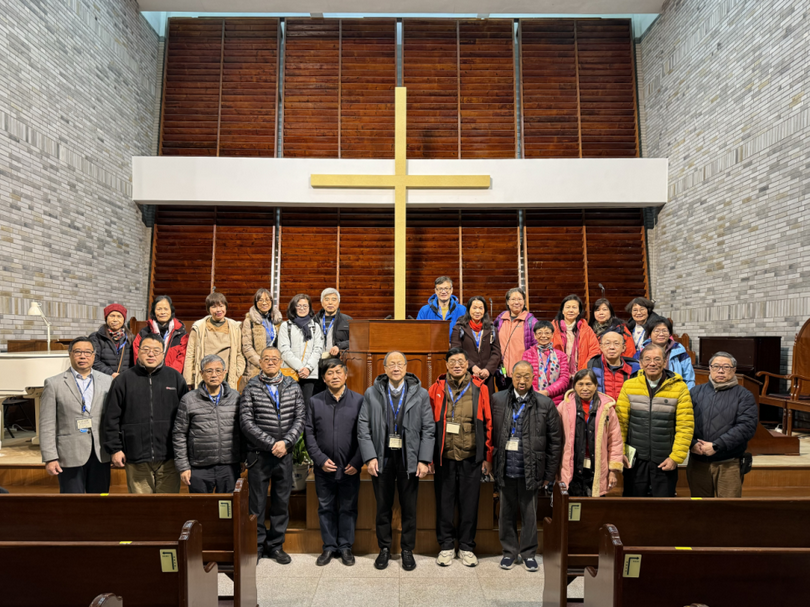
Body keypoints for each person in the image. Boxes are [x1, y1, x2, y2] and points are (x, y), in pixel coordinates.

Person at [357, 351, 434, 572]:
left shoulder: (420, 394)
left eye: (400, 364)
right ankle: (384, 548)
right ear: (384, 368)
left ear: (406, 367)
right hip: (381, 458)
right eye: (392, 364)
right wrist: (369, 457)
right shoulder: (372, 393)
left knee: (409, 507)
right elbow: (363, 427)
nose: (396, 368)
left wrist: (423, 459)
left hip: (409, 459)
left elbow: (429, 429)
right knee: (383, 506)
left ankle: (407, 549)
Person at [491, 361, 562, 572]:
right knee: (506, 512)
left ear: (534, 378)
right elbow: (489, 434)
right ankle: (509, 552)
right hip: (504, 466)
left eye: (527, 377)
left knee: (530, 514)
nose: (522, 381)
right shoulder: (497, 399)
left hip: (531, 467)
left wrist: (549, 474)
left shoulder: (545, 403)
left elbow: (555, 441)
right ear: (511, 376)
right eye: (518, 376)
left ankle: (529, 553)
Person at [427, 348, 493, 568]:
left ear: (467, 364)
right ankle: (446, 546)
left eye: (461, 361)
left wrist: (486, 456)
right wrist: (429, 457)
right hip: (444, 456)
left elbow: (488, 423)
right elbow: (428, 426)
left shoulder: (479, 388)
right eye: (452, 361)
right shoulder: (436, 388)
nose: (457, 365)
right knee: (444, 504)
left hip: (471, 455)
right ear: (446, 365)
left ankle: (466, 547)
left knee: (469, 504)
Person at [240, 346, 306, 563]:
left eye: (274, 359)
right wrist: (271, 444)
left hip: (284, 455)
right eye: (266, 359)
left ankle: (276, 546)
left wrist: (286, 443)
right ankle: (257, 546)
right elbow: (246, 422)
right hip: (259, 454)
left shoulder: (292, 386)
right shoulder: (251, 387)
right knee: (256, 504)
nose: (270, 362)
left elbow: (300, 418)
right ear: (260, 362)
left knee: (281, 502)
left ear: (281, 362)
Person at [103, 334, 189, 494]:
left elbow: (186, 418)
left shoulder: (175, 378)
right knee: (141, 508)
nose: (151, 354)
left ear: (163, 353)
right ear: (138, 350)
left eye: (156, 351)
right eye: (146, 350)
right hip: (136, 456)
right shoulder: (123, 380)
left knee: (168, 508)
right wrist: (115, 449)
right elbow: (111, 418)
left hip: (169, 456)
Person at [304, 358, 364, 567]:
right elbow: (309, 433)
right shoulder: (315, 401)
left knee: (348, 507)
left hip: (350, 467)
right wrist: (319, 459)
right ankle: (329, 547)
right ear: (323, 378)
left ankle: (345, 547)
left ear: (346, 375)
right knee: (325, 507)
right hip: (324, 468)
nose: (335, 376)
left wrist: (357, 461)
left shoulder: (359, 400)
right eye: (330, 373)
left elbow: (365, 434)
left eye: (338, 372)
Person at [616, 343, 694, 498]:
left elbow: (685, 426)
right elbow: (620, 423)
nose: (652, 363)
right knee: (633, 504)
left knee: (663, 508)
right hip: (635, 459)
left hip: (665, 458)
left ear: (665, 361)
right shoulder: (629, 386)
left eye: (657, 359)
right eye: (647, 359)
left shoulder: (679, 388)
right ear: (640, 363)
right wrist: (621, 452)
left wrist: (675, 458)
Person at [40, 337, 113, 493]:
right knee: (71, 503)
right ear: (70, 354)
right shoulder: (54, 384)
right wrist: (50, 457)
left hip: (100, 452)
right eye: (78, 352)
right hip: (69, 453)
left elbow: (113, 419)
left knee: (101, 499)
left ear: (94, 355)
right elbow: (47, 423)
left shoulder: (108, 381)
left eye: (87, 352)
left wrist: (115, 449)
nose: (83, 356)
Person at [687, 352, 758, 498]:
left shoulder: (744, 395)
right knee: (699, 507)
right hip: (698, 462)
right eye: (716, 366)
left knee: (727, 511)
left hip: (728, 463)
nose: (721, 370)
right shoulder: (695, 392)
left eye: (726, 367)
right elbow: (683, 422)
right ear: (710, 368)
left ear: (734, 370)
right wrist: (692, 443)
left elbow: (746, 427)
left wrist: (716, 446)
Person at [173, 354, 243, 494]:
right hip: (199, 467)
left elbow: (242, 431)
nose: (214, 375)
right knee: (201, 511)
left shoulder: (235, 397)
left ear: (225, 372)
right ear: (201, 374)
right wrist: (183, 467)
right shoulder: (189, 399)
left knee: (227, 511)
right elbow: (179, 434)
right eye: (209, 371)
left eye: (218, 370)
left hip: (229, 466)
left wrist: (242, 458)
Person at [557, 369, 623, 497]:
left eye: (589, 384)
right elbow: (556, 439)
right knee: (571, 510)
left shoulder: (607, 409)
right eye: (580, 384)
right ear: (574, 385)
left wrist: (613, 471)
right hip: (572, 468)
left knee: (593, 511)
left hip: (597, 468)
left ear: (596, 386)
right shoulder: (564, 407)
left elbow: (615, 441)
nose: (585, 388)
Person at [184, 292, 246, 391]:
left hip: (226, 376)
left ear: (226, 307)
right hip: (204, 376)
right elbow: (190, 354)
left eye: (221, 306)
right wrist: (189, 380)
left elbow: (239, 353)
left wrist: (236, 373)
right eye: (214, 307)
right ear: (208, 309)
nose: (218, 310)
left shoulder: (235, 327)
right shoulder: (198, 327)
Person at [279, 294, 324, 405]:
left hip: (309, 374)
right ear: (293, 307)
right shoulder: (286, 326)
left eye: (305, 306)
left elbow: (318, 349)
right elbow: (284, 350)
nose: (302, 308)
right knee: (288, 405)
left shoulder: (315, 327)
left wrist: (307, 368)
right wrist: (300, 368)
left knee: (306, 406)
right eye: (299, 306)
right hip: (291, 372)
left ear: (309, 308)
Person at [450, 296, 502, 395]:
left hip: (486, 377)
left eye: (480, 308)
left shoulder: (491, 329)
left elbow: (496, 352)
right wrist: (472, 367)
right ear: (468, 309)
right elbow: (456, 351)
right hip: (466, 375)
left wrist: (488, 369)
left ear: (485, 310)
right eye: (474, 308)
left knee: (486, 406)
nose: (477, 311)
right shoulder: (459, 328)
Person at [494, 288, 538, 390]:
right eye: (513, 299)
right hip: (502, 372)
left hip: (521, 374)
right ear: (508, 302)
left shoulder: (531, 321)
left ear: (524, 301)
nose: (516, 302)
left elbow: (536, 348)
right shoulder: (500, 319)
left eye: (520, 299)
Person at [133, 295, 189, 373]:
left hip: (171, 376)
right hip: (147, 375)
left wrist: (169, 375)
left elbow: (181, 359)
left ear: (171, 311)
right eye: (159, 309)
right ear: (154, 311)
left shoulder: (181, 333)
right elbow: (138, 355)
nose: (163, 312)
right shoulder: (144, 333)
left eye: (166, 309)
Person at [313, 288, 352, 394]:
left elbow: (355, 341)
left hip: (336, 363)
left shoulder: (348, 321)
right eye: (327, 299)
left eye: (334, 299)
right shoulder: (313, 320)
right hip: (316, 364)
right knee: (317, 394)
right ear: (322, 302)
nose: (330, 302)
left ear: (338, 302)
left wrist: (339, 346)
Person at [521, 321, 570, 405]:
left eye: (547, 333)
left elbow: (564, 379)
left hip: (555, 401)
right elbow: (525, 377)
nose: (543, 336)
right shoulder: (527, 354)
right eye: (539, 333)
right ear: (535, 336)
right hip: (533, 399)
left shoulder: (561, 355)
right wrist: (536, 393)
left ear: (552, 335)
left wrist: (547, 392)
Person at [641, 316, 696, 389]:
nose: (661, 334)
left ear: (670, 334)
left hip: (675, 393)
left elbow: (689, 379)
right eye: (657, 331)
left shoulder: (680, 352)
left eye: (664, 330)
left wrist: (685, 395)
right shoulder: (642, 352)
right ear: (649, 334)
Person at [551, 294, 601, 374]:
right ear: (563, 311)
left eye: (574, 307)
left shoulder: (587, 329)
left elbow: (594, 350)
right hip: (557, 373)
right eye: (567, 307)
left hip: (581, 374)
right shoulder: (552, 328)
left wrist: (582, 371)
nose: (571, 310)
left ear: (579, 311)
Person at [242, 288, 283, 380]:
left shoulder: (276, 321)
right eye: (260, 300)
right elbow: (247, 347)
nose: (264, 303)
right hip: (256, 367)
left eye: (267, 300)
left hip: (274, 367)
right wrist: (262, 363)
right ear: (255, 303)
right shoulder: (249, 321)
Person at [587, 330, 640, 401]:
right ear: (601, 347)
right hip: (601, 410)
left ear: (623, 348)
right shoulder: (592, 367)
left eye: (616, 343)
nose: (612, 347)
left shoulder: (634, 370)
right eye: (607, 343)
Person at [89, 303, 134, 378]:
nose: (115, 319)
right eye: (112, 316)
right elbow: (93, 360)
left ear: (124, 319)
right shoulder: (96, 337)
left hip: (125, 379)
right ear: (106, 318)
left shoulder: (131, 338)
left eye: (119, 316)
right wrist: (111, 373)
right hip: (103, 378)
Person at [417, 276, 467, 340]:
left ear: (451, 290)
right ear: (436, 291)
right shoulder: (424, 310)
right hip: (431, 348)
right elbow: (419, 333)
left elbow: (466, 334)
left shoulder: (462, 310)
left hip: (455, 348)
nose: (443, 292)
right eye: (440, 289)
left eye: (446, 288)